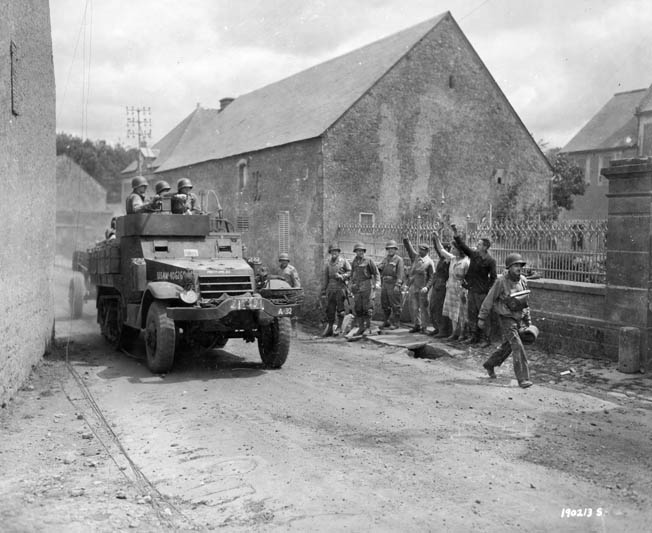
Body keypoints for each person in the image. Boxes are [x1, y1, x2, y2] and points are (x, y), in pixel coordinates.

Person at [478, 253, 534, 389]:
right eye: (515, 265)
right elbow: (489, 299)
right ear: (509, 267)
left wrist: (528, 320)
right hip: (506, 319)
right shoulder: (501, 282)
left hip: (519, 318)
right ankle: (523, 378)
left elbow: (525, 302)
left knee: (508, 346)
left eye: (520, 265)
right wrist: (482, 317)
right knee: (517, 346)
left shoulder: (523, 280)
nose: (518, 268)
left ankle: (490, 364)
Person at [452, 226, 497, 346]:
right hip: (472, 290)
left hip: (482, 292)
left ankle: (485, 339)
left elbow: (493, 278)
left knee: (483, 316)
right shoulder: (474, 255)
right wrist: (456, 234)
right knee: (472, 314)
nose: (477, 246)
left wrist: (488, 292)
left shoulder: (490, 261)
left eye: (480, 244)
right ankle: (474, 336)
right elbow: (463, 246)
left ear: (485, 247)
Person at [434, 234, 470, 341]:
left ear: (459, 250)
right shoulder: (453, 259)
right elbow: (441, 250)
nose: (452, 250)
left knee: (461, 313)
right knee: (452, 312)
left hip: (461, 290)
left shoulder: (466, 262)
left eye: (454, 248)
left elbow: (468, 278)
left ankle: (462, 334)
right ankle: (454, 333)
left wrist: (464, 290)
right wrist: (436, 238)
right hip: (451, 288)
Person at [403, 237, 434, 334]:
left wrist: (427, 287)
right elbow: (409, 249)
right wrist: (406, 240)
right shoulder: (416, 258)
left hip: (422, 288)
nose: (420, 251)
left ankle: (424, 327)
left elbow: (432, 277)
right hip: (414, 287)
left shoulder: (429, 262)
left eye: (422, 250)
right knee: (414, 307)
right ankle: (417, 325)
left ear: (427, 251)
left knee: (423, 308)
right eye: (419, 249)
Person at [349, 243, 381, 336]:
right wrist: (351, 286)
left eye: (362, 251)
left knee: (368, 308)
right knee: (358, 308)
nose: (360, 252)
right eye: (358, 251)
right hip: (357, 287)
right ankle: (361, 327)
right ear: (355, 252)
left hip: (367, 286)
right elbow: (352, 274)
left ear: (364, 252)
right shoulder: (354, 261)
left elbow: (376, 273)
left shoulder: (369, 260)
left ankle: (368, 327)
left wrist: (378, 283)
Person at [320, 243, 351, 337]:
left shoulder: (344, 261)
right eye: (332, 251)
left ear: (338, 252)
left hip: (340, 287)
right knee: (330, 309)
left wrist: (342, 276)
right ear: (330, 252)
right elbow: (325, 278)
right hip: (331, 288)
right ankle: (330, 327)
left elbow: (350, 271)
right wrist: (323, 290)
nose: (334, 253)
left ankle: (339, 327)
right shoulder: (328, 263)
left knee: (340, 309)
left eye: (336, 251)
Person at [378, 240, 404, 329]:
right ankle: (386, 321)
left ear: (396, 249)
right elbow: (380, 268)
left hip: (393, 284)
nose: (390, 251)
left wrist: (398, 285)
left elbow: (400, 274)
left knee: (395, 305)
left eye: (392, 249)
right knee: (385, 304)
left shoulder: (399, 260)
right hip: (385, 284)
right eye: (389, 249)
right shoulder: (385, 259)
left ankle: (396, 323)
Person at [429, 236, 451, 337]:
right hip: (436, 285)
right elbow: (438, 249)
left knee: (440, 308)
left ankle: (443, 330)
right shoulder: (442, 259)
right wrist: (435, 238)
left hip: (443, 286)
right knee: (433, 307)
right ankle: (436, 327)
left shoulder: (450, 260)